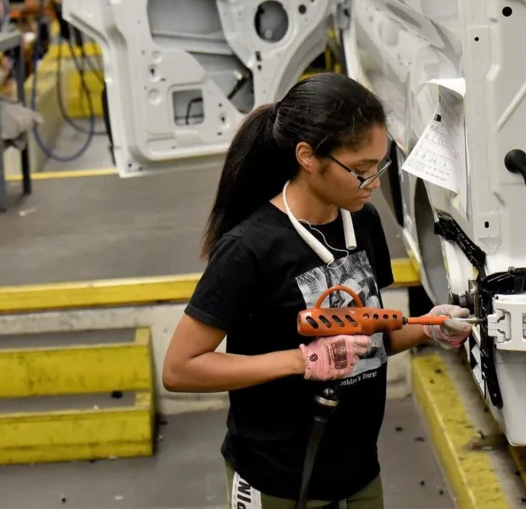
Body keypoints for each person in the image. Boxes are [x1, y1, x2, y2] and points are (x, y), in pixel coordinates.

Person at [162, 73, 473, 509]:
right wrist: (303, 361)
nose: (373, 183)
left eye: (379, 166)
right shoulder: (250, 248)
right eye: (360, 171)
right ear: (307, 157)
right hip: (278, 481)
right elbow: (180, 369)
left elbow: (370, 340)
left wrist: (429, 326)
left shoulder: (362, 221)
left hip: (358, 472)